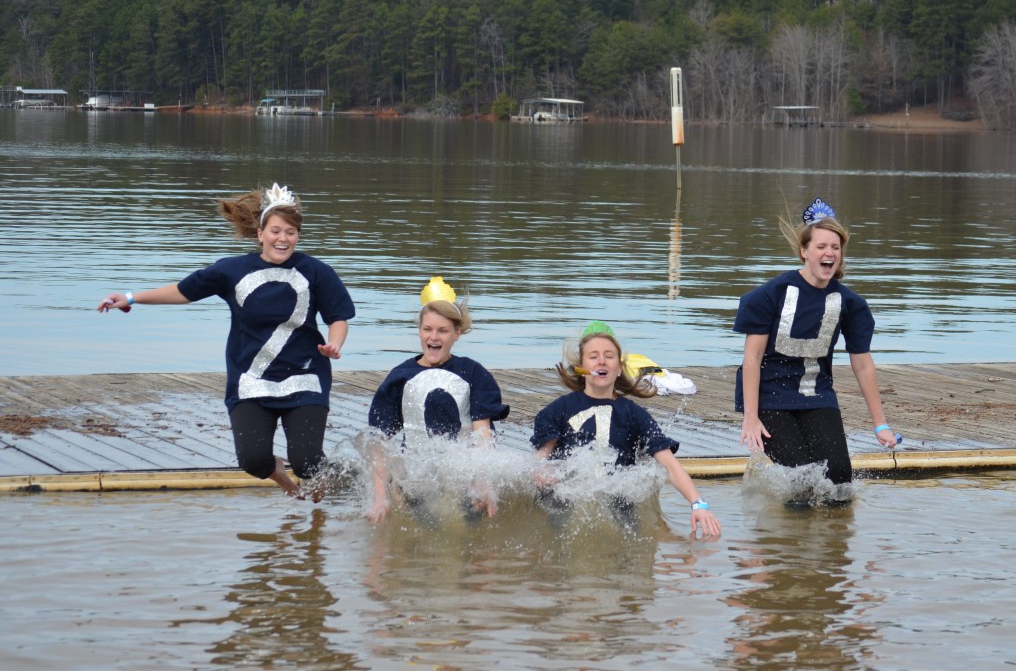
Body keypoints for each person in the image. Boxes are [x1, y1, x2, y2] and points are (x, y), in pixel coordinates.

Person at [98, 183, 355, 502]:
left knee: (307, 462)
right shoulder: (232, 270)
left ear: (297, 236)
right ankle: (284, 480)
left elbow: (338, 316)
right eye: (275, 230)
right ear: (260, 233)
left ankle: (343, 478)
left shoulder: (317, 272)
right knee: (252, 461)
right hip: (250, 382)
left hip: (304, 380)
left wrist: (334, 344)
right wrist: (132, 298)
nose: (283, 238)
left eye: (290, 232)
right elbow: (183, 291)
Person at [734, 198, 899, 490]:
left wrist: (880, 424)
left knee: (839, 479)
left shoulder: (851, 304)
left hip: (816, 395)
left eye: (835, 247)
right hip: (770, 397)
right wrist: (750, 417)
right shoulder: (769, 295)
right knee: (802, 480)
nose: (829, 253)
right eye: (821, 246)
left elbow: (862, 365)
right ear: (804, 251)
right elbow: (752, 358)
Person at [531, 321, 721, 537]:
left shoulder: (634, 414)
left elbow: (668, 463)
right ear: (581, 368)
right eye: (593, 356)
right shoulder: (559, 409)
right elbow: (542, 454)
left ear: (619, 368)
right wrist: (541, 470)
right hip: (567, 499)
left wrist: (698, 505)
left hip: (618, 502)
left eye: (609, 356)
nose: (601, 360)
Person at [366, 277, 509, 523]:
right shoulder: (399, 377)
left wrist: (483, 482)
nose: (434, 337)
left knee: (470, 539)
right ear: (419, 330)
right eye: (427, 329)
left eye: (443, 331)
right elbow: (379, 442)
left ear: (457, 334)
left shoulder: (474, 373)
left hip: (463, 476)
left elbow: (482, 434)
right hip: (416, 476)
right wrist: (380, 497)